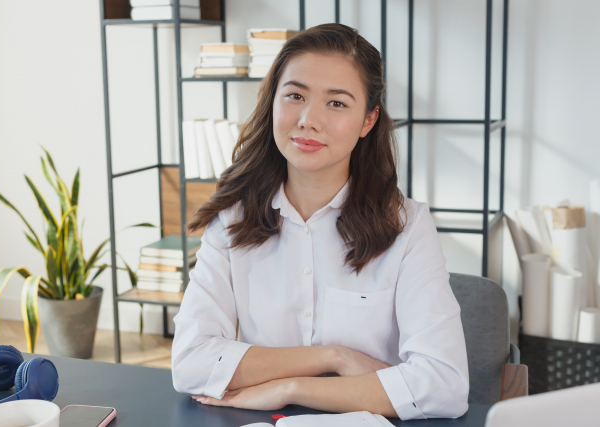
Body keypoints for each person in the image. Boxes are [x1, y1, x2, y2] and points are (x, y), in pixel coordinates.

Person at [170, 23, 469, 420]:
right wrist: (334, 358)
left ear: (368, 120)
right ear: (272, 101)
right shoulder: (232, 220)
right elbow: (190, 363)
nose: (309, 120)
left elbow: (444, 387)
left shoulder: (408, 227)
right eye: (295, 95)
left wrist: (289, 387)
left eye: (337, 103)